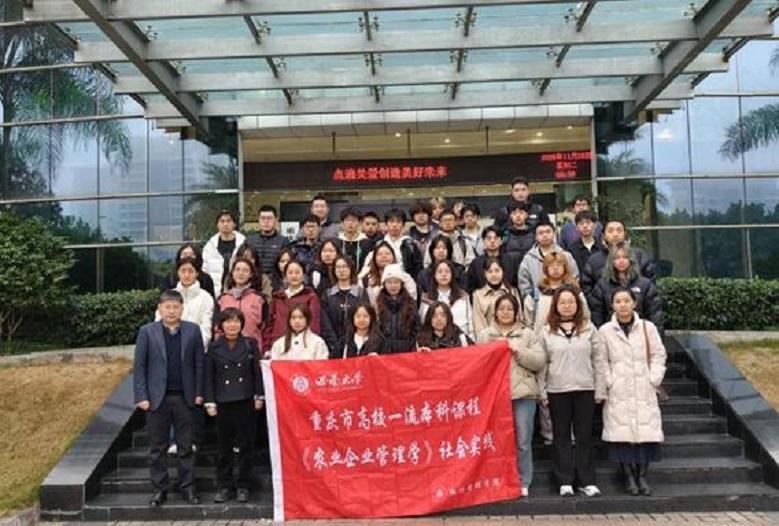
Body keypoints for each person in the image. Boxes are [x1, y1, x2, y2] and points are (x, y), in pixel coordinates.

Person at [133, 290, 204, 508]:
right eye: (167, 307)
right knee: (157, 448)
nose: (171, 311)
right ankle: (159, 490)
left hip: (185, 397)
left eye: (175, 307)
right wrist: (141, 396)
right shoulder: (147, 332)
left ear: (182, 309)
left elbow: (199, 364)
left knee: (186, 447)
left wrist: (199, 392)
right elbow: (140, 367)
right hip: (157, 399)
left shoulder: (193, 330)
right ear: (160, 309)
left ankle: (188, 488)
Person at [597, 287, 667, 497]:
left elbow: (658, 354)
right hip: (618, 389)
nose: (623, 305)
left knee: (645, 433)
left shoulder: (647, 327)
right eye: (618, 301)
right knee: (622, 435)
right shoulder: (605, 331)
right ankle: (628, 476)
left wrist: (653, 378)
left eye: (626, 301)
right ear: (612, 305)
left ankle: (642, 476)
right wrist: (609, 381)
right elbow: (601, 360)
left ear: (634, 303)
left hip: (643, 386)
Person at [539, 287, 606, 498]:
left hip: (585, 388)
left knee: (584, 436)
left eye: (571, 302)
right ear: (555, 306)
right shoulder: (546, 331)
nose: (567, 306)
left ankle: (587, 481)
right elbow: (541, 364)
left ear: (578, 304)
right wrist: (542, 391)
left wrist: (600, 389)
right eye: (562, 302)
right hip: (557, 389)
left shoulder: (589, 328)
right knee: (561, 436)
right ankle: (565, 480)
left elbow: (598, 360)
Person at [476, 293, 545, 497]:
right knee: (497, 440)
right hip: (495, 396)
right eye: (501, 308)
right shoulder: (485, 335)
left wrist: (518, 351)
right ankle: (499, 478)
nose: (505, 312)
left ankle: (523, 480)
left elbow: (539, 361)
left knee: (523, 440)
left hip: (523, 394)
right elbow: (476, 365)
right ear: (495, 312)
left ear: (516, 312)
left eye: (510, 309)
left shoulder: (527, 334)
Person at [203, 308, 263, 504]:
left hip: (246, 399)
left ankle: (243, 486)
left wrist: (259, 396)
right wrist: (209, 401)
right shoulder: (214, 347)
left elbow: (256, 373)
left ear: (241, 324)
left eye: (236, 321)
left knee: (246, 446)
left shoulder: (250, 344)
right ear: (221, 325)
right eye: (228, 321)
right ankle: (224, 486)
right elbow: (209, 376)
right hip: (223, 401)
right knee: (224, 447)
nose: (232, 325)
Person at [589, 243, 663, 332]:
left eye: (625, 257)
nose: (621, 261)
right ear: (611, 261)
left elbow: (655, 314)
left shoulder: (645, 284)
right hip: (612, 334)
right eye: (617, 258)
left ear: (631, 259)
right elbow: (597, 315)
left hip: (640, 333)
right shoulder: (602, 285)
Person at [581, 219, 656, 297]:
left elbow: (650, 284)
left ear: (625, 234)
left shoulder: (639, 255)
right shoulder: (594, 260)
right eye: (610, 231)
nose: (615, 234)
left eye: (619, 231)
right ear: (604, 236)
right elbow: (587, 288)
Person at [263, 259, 321, 353]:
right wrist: (266, 347)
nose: (294, 276)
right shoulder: (277, 297)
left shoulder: (310, 297)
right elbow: (270, 324)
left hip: (303, 347)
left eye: (297, 272)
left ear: (303, 275)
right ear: (285, 276)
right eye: (290, 273)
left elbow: (313, 324)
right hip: (278, 345)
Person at [525, 252, 590, 335]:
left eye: (559, 265)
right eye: (551, 265)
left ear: (565, 268)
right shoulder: (536, 293)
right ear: (545, 268)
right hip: (541, 338)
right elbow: (528, 320)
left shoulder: (575, 291)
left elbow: (585, 315)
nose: (555, 268)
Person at [156, 257, 214, 347]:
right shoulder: (168, 295)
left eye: (191, 271)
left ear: (197, 273)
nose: (186, 275)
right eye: (183, 271)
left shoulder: (206, 298)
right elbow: (158, 323)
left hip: (195, 349)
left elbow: (206, 329)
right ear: (178, 273)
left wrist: (193, 348)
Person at [518, 221, 579, 301]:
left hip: (564, 302)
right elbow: (524, 284)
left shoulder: (566, 256)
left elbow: (574, 277)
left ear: (554, 233)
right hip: (538, 301)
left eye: (548, 232)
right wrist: (531, 299)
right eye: (541, 233)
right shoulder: (528, 259)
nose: (545, 235)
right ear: (535, 236)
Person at [321, 256, 369, 358]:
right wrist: (333, 342)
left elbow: (365, 316)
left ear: (351, 269)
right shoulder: (328, 294)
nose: (341, 270)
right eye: (338, 267)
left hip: (355, 343)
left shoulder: (360, 293)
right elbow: (325, 321)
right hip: (332, 344)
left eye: (345, 266)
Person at [419, 259, 474, 341]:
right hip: (434, 343)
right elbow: (424, 324)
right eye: (440, 272)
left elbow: (470, 324)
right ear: (434, 275)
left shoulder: (463, 296)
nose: (444, 274)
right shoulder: (427, 298)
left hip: (460, 342)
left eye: (447, 271)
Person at [217, 258, 265, 347]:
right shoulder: (222, 298)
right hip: (225, 348)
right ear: (232, 273)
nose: (241, 273)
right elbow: (217, 326)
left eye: (245, 270)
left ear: (251, 274)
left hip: (251, 347)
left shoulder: (259, 298)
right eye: (237, 270)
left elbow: (265, 326)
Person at [472, 257, 523, 336]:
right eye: (490, 272)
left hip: (513, 337)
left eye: (497, 270)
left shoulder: (512, 291)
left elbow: (519, 318)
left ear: (503, 272)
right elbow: (479, 324)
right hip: (489, 339)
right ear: (484, 274)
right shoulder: (478, 295)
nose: (494, 275)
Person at [376, 263, 420, 354]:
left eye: (396, 282)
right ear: (384, 284)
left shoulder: (411, 303)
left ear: (401, 284)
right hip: (384, 351)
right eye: (389, 282)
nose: (393, 285)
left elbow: (416, 328)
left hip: (406, 351)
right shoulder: (377, 303)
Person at [202, 210, 246, 297]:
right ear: (217, 224)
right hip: (215, 293)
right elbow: (205, 271)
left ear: (234, 224)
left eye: (228, 221)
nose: (225, 224)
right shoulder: (210, 247)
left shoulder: (243, 244)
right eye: (222, 221)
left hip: (240, 292)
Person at [360, 240, 418, 304]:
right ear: (374, 258)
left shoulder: (405, 277)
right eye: (379, 254)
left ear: (394, 257)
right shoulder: (366, 278)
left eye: (387, 254)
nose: (384, 256)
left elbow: (412, 299)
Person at [467, 226, 522, 290]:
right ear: (484, 242)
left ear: (501, 241)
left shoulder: (511, 261)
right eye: (489, 238)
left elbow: (516, 284)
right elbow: (472, 287)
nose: (492, 241)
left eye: (495, 238)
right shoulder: (476, 264)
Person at [376, 208, 423, 279]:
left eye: (398, 222)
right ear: (386, 224)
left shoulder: (411, 244)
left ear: (403, 225)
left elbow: (418, 268)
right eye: (391, 221)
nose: (394, 225)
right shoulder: (379, 244)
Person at [247, 205, 288, 276]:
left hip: (276, 280)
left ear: (276, 220)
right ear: (259, 220)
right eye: (263, 218)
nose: (266, 221)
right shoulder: (250, 241)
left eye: (269, 218)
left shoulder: (283, 242)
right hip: (254, 279)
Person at [568, 211, 607, 276]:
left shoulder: (603, 247)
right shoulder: (571, 249)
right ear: (576, 227)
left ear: (595, 225)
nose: (585, 226)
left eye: (588, 222)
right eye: (581, 223)